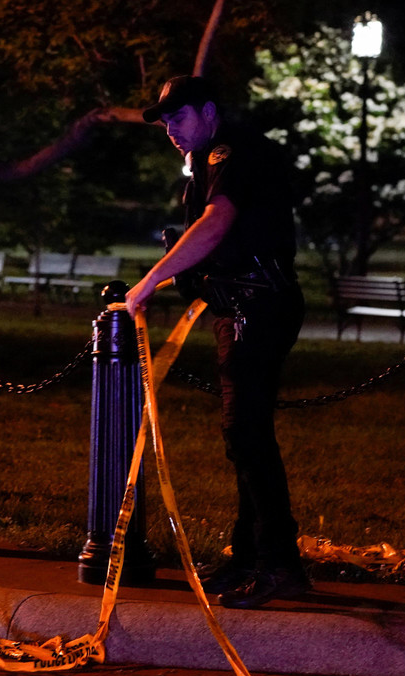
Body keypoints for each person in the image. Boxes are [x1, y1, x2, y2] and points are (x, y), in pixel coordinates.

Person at [126, 76, 310, 609]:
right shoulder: (209, 158)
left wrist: (150, 281)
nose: (171, 131)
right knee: (245, 435)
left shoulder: (231, 152)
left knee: (246, 435)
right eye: (165, 123)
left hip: (260, 306)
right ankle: (250, 558)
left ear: (208, 112)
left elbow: (216, 222)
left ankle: (279, 564)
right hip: (241, 307)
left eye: (179, 118)